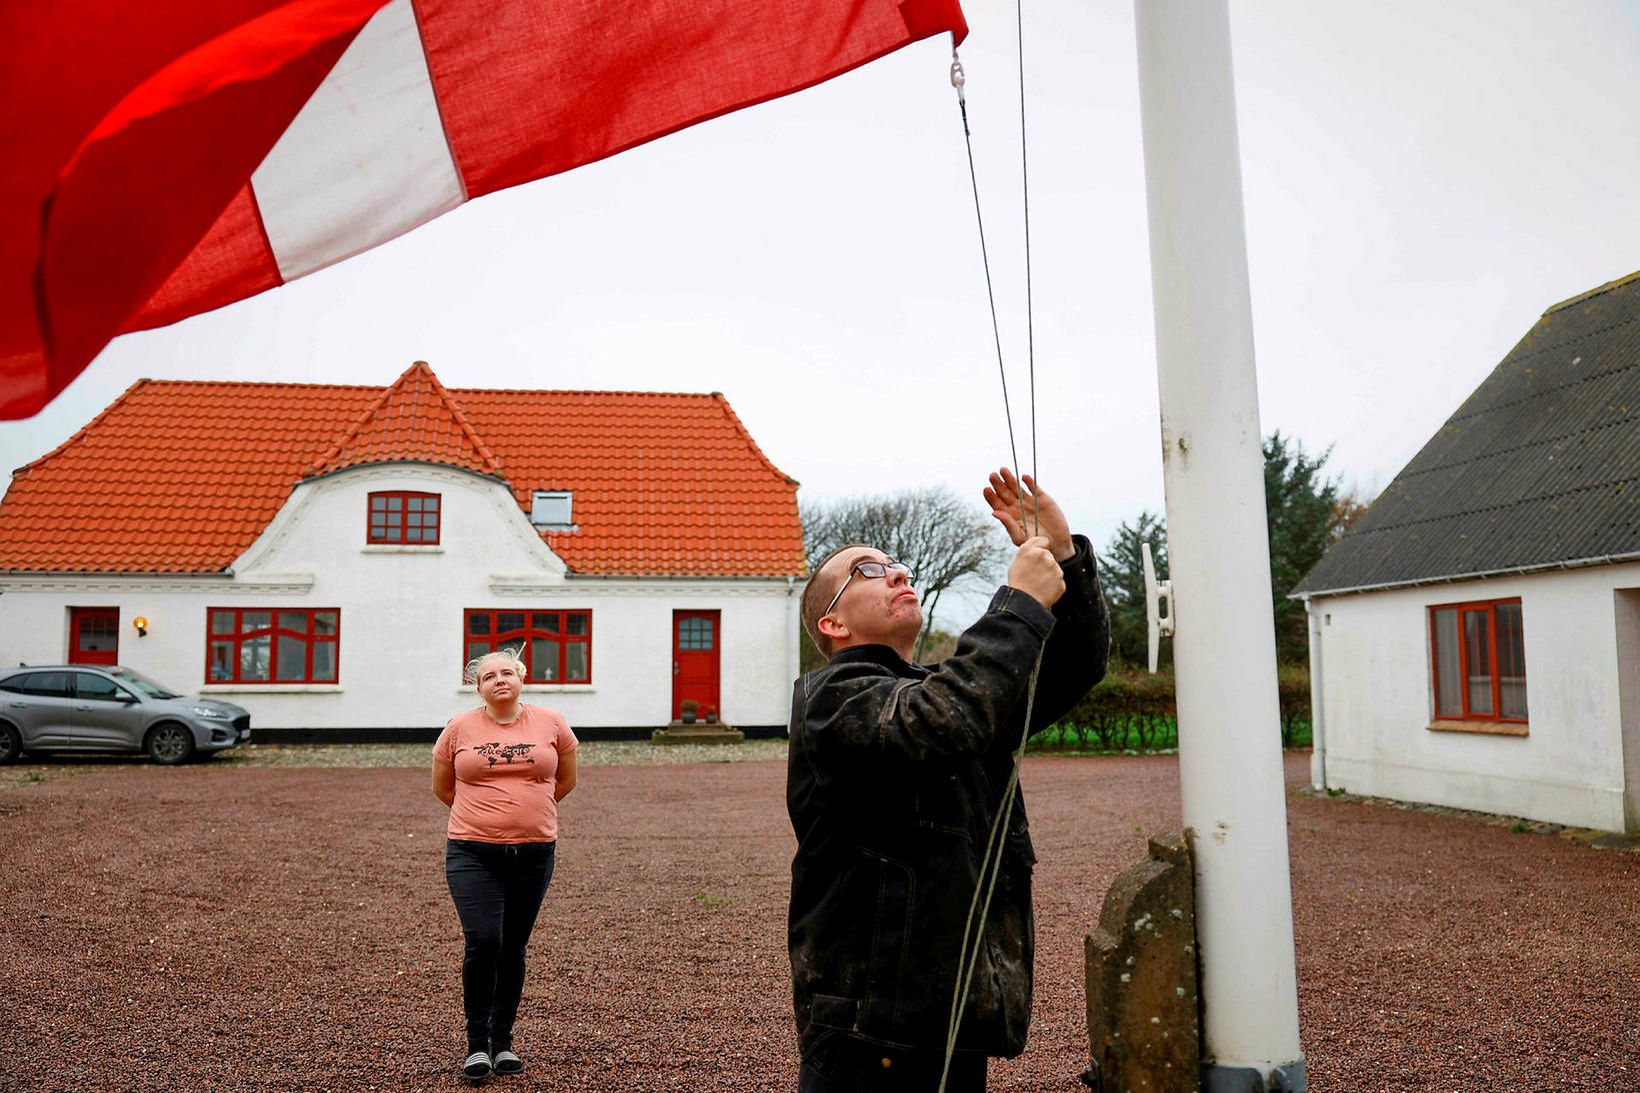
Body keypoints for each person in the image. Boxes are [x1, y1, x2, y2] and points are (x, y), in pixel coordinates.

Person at [787, 468, 1110, 1092]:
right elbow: (944, 719)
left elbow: (1070, 670)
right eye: (869, 570)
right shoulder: (832, 700)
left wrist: (1065, 559)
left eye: (895, 563)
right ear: (833, 625)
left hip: (949, 1014)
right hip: (869, 1032)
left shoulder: (943, 693)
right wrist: (1017, 604)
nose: (898, 572)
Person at [432, 646, 578, 1083]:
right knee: (483, 940)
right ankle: (476, 1046)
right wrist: (487, 816)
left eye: (507, 673)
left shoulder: (551, 723)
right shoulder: (459, 727)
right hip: (472, 852)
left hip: (534, 853)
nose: (500, 680)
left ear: (521, 679)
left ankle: (502, 1042)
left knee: (513, 946)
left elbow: (565, 779)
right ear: (478, 687)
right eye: (489, 675)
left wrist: (530, 812)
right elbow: (443, 787)